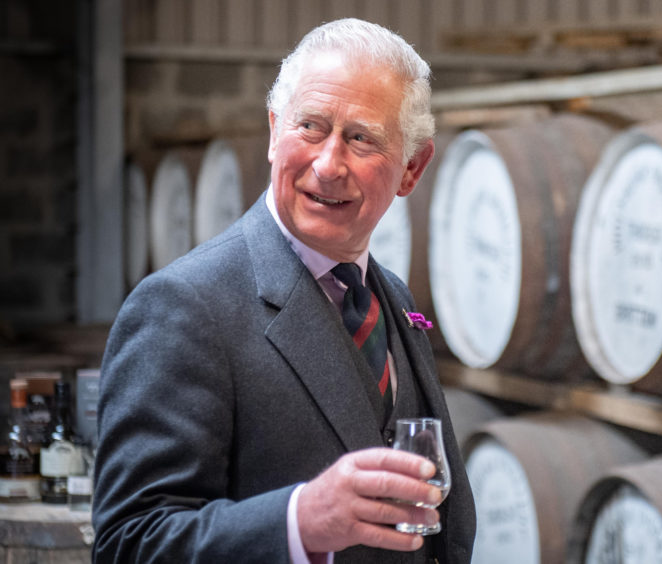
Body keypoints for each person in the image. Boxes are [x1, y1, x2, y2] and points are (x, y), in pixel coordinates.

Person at [92, 18, 475, 563]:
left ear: (412, 168)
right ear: (275, 132)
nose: (327, 164)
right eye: (311, 127)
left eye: (361, 138)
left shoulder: (391, 296)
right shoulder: (182, 307)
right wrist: (300, 522)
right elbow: (131, 542)